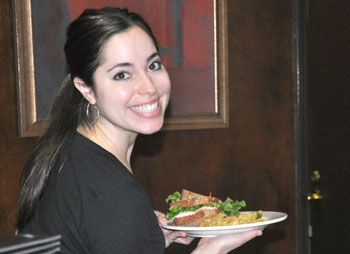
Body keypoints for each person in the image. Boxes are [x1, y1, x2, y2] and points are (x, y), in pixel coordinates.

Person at [16, 7, 262, 253]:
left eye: (153, 65)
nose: (148, 87)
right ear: (86, 89)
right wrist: (210, 250)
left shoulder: (56, 153)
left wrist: (143, 237)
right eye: (122, 74)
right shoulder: (115, 196)